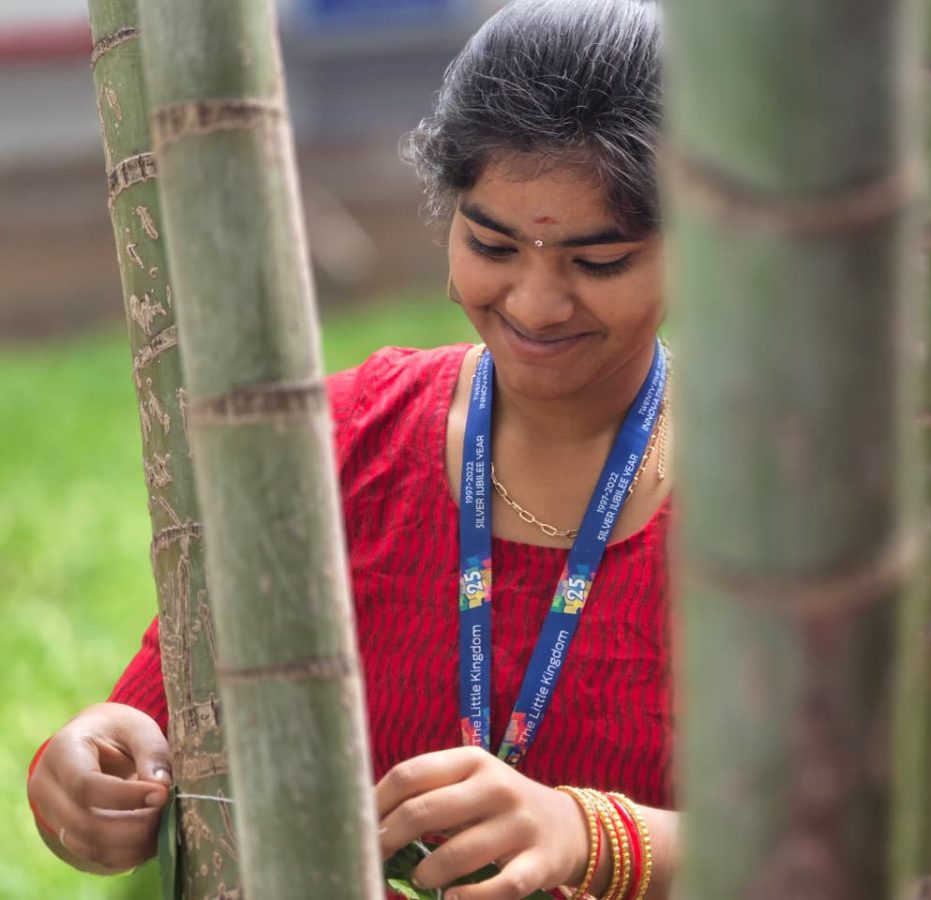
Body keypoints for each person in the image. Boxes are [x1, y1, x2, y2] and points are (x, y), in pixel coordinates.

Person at [26, 0, 677, 897]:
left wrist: (596, 838)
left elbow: (846, 843)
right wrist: (88, 770)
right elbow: (154, 722)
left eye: (598, 263)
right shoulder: (340, 442)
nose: (534, 303)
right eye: (492, 245)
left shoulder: (782, 502)